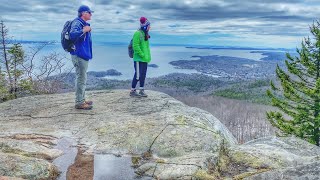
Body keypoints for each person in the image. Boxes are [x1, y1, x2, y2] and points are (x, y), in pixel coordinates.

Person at [69, 5, 94, 109]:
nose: (91, 14)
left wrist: (86, 29)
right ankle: (79, 102)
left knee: (82, 78)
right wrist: (85, 30)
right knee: (81, 78)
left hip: (82, 54)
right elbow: (72, 35)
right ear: (83, 13)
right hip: (79, 55)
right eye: (89, 12)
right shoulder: (77, 22)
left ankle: (82, 99)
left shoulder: (82, 23)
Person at [130, 17, 151, 97]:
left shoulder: (145, 34)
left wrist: (146, 57)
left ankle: (141, 90)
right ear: (145, 26)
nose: (149, 27)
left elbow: (145, 47)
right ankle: (132, 91)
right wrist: (142, 55)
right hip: (139, 59)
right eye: (148, 25)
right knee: (138, 75)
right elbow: (135, 46)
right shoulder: (138, 33)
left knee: (143, 75)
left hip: (144, 59)